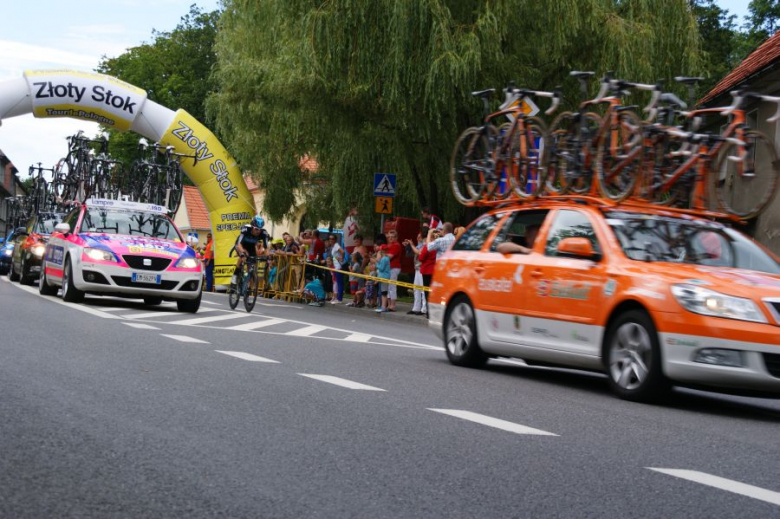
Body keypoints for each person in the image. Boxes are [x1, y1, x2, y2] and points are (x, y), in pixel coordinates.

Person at [233, 215, 270, 280]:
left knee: (253, 262)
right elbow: (239, 244)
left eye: (260, 229)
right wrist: (242, 253)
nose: (258, 231)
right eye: (256, 229)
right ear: (252, 227)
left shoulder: (264, 233)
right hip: (241, 244)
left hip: (251, 246)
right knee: (244, 256)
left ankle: (247, 283)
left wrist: (268, 258)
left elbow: (266, 247)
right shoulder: (246, 229)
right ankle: (234, 278)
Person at [404, 233, 427, 316]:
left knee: (423, 289)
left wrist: (412, 245)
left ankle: (424, 308)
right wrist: (408, 246)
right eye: (417, 236)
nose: (418, 238)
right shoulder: (418, 245)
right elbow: (409, 254)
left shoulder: (425, 245)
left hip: (422, 268)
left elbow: (418, 252)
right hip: (417, 269)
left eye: (420, 236)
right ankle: (416, 308)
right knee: (416, 288)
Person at [384, 230, 403, 312]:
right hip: (390, 268)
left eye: (392, 237)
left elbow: (389, 256)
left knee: (392, 287)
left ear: (396, 238)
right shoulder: (390, 245)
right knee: (389, 287)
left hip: (394, 267)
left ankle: (393, 305)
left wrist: (382, 255)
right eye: (389, 237)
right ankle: (389, 305)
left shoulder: (396, 245)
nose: (390, 238)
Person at [328, 234, 345, 304]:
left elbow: (343, 252)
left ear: (335, 240)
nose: (331, 240)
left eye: (332, 239)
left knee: (339, 283)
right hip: (336, 267)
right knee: (337, 282)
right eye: (330, 239)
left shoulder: (336, 245)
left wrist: (341, 258)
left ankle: (339, 299)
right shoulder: (333, 247)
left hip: (339, 267)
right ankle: (337, 298)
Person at [374, 248, 391, 313]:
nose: (377, 256)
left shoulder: (384, 259)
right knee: (383, 292)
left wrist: (376, 263)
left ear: (381, 253)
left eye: (378, 254)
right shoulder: (385, 258)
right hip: (383, 277)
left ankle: (383, 307)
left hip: (384, 277)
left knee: (384, 293)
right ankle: (383, 306)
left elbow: (381, 268)